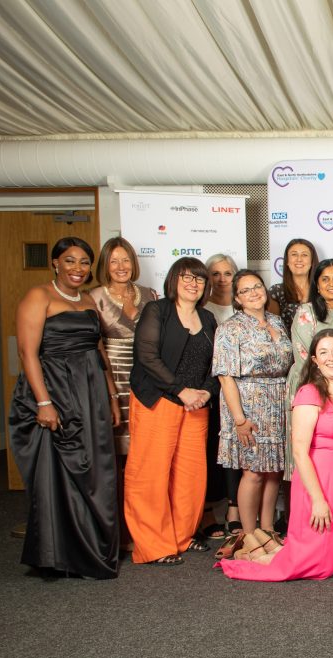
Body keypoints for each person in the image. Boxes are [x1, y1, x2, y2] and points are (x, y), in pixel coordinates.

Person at [218, 330, 333, 580]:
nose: (331, 358)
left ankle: (264, 549)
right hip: (317, 478)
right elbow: (300, 452)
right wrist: (318, 500)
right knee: (311, 564)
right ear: (314, 360)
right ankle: (251, 554)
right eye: (323, 352)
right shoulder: (309, 393)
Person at [9, 237, 121, 579]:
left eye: (84, 262)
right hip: (54, 391)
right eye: (70, 261)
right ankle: (60, 554)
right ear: (55, 263)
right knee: (57, 472)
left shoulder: (87, 299)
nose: (78, 268)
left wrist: (113, 396)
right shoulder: (38, 296)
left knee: (97, 467)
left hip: (90, 392)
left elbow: (98, 350)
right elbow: (28, 353)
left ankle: (94, 545)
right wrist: (43, 403)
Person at [125, 257, 218, 565]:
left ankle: (180, 536)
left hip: (195, 406)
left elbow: (215, 363)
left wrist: (205, 392)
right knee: (150, 475)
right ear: (174, 280)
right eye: (186, 277)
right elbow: (147, 356)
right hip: (160, 400)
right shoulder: (158, 310)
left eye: (199, 279)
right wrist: (180, 390)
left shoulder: (207, 318)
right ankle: (153, 545)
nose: (193, 284)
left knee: (190, 476)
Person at [213, 270, 293, 559]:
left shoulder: (276, 321)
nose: (253, 293)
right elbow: (225, 377)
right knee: (253, 471)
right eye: (245, 290)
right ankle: (249, 535)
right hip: (248, 404)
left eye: (257, 287)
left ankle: (268, 529)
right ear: (237, 298)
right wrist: (239, 419)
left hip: (278, 402)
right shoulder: (230, 328)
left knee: (273, 471)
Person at [89, 237, 159, 552]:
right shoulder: (94, 298)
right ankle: (117, 531)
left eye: (126, 260)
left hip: (146, 380)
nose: (121, 267)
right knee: (116, 458)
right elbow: (95, 346)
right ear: (105, 265)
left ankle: (144, 528)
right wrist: (108, 394)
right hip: (113, 380)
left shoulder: (149, 295)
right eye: (114, 261)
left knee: (144, 457)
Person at [286, 260, 333, 476]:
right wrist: (332, 392)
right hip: (313, 391)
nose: (332, 284)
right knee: (308, 455)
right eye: (325, 279)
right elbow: (305, 359)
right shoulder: (307, 312)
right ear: (317, 285)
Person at [201, 253, 240, 542]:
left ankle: (234, 509)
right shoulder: (203, 310)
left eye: (227, 273)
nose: (222, 279)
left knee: (239, 455)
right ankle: (207, 511)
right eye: (215, 274)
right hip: (213, 390)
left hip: (243, 393)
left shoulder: (245, 306)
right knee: (213, 453)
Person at [268, 237, 318, 332]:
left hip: (320, 345)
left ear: (312, 261)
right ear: (287, 261)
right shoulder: (276, 292)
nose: (299, 259)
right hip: (287, 345)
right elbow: (272, 328)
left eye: (304, 255)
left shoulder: (322, 290)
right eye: (294, 254)